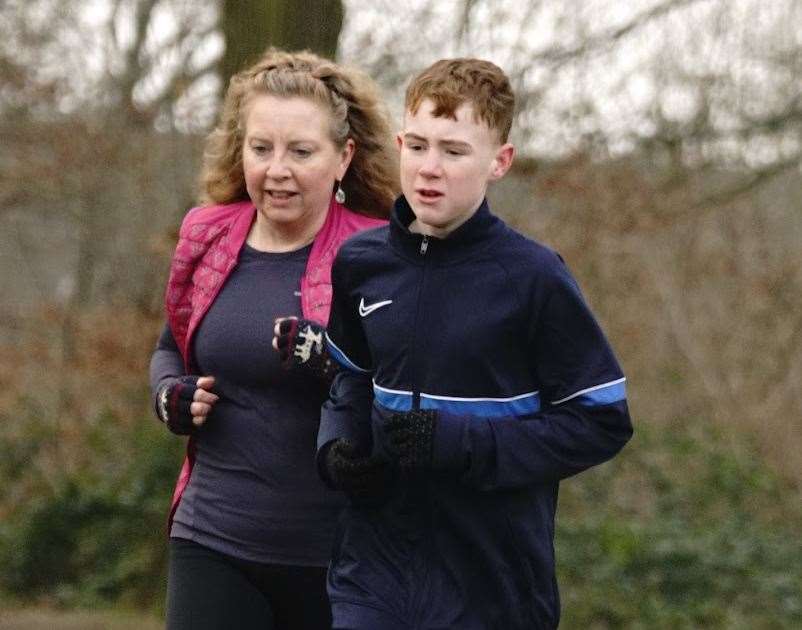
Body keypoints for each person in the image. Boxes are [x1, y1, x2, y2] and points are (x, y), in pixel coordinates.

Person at [318, 58, 633, 629]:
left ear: (499, 162)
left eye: (454, 151)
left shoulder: (534, 278)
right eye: (417, 146)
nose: (428, 169)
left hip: (493, 588)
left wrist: (462, 443)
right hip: (373, 573)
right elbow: (350, 377)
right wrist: (337, 444)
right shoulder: (361, 263)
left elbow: (602, 421)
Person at [148, 47, 397, 630]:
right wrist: (169, 396)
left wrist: (331, 359)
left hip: (338, 558)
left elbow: (406, 386)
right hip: (211, 538)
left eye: (301, 151)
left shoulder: (379, 256)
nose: (276, 169)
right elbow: (170, 346)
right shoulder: (206, 235)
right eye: (261, 148)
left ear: (344, 158)